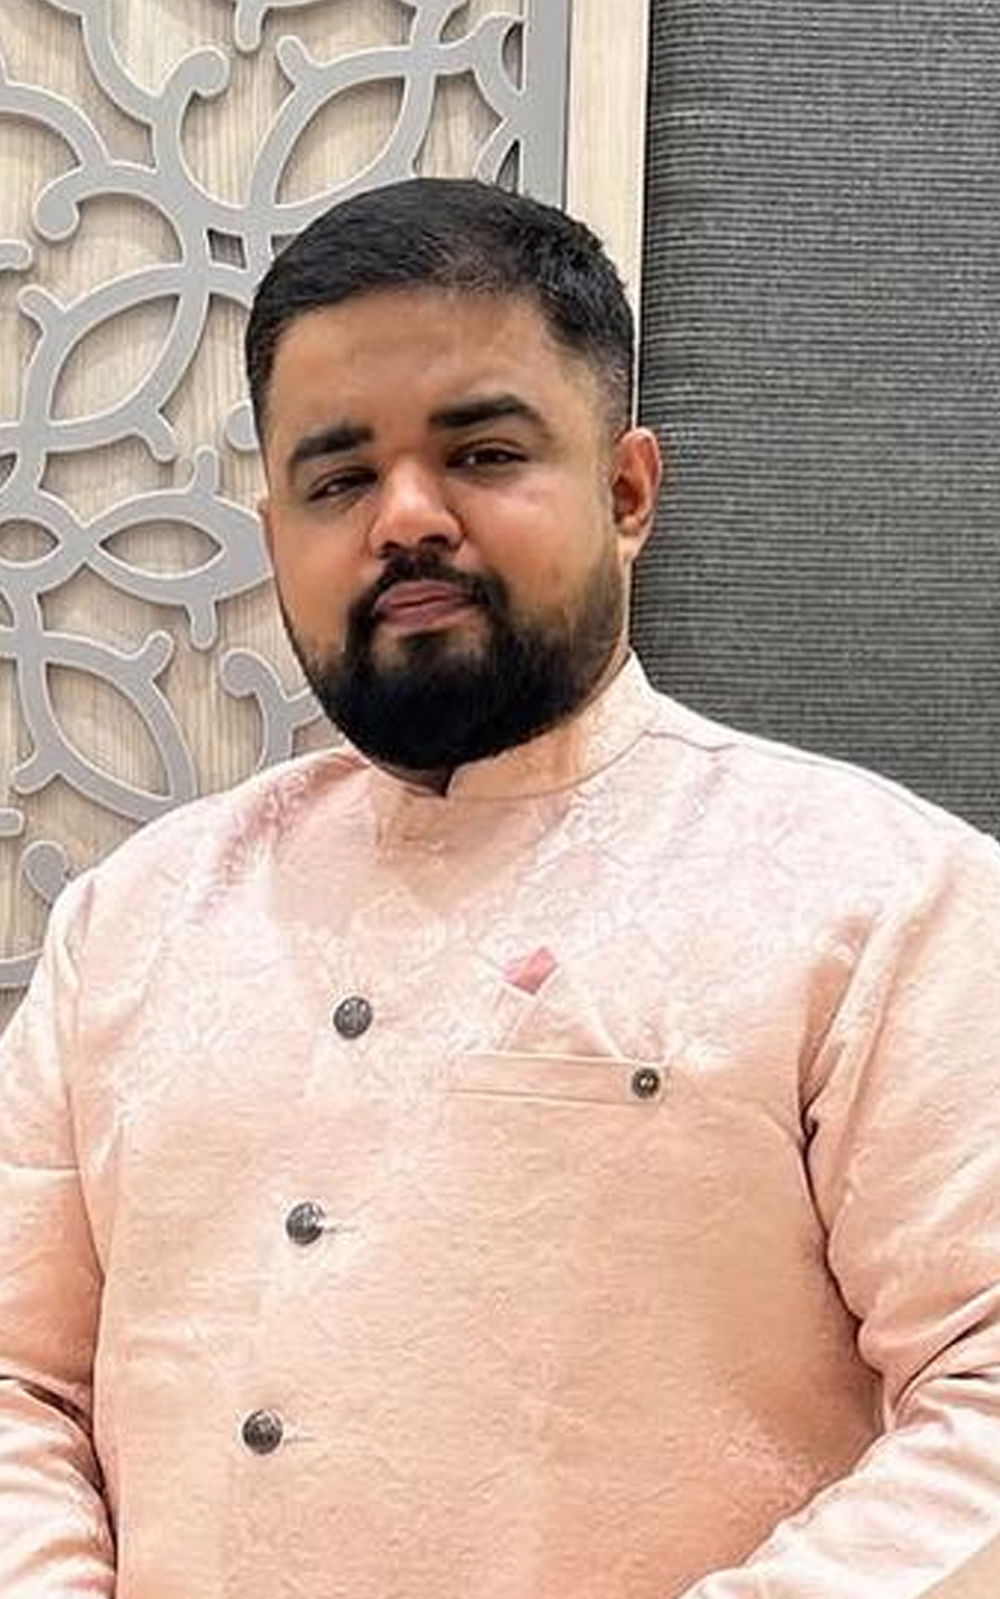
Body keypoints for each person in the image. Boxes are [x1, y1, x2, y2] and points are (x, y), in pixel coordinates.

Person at [0, 177, 999, 1599]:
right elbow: (17, 1380)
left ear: (627, 491)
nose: (406, 518)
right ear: (276, 533)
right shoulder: (133, 919)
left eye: (481, 453)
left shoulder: (883, 901)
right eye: (338, 480)